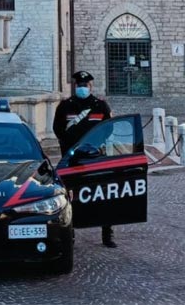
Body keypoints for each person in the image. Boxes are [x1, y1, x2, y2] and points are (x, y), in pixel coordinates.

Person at [52, 71, 118, 248]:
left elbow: (108, 128)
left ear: (91, 86)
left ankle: (107, 234)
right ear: (76, 86)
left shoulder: (100, 106)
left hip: (95, 157)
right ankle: (70, 232)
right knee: (70, 196)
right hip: (72, 159)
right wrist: (69, 146)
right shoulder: (66, 106)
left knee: (103, 195)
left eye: (85, 85)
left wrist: (95, 143)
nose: (82, 88)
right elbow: (57, 129)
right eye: (80, 85)